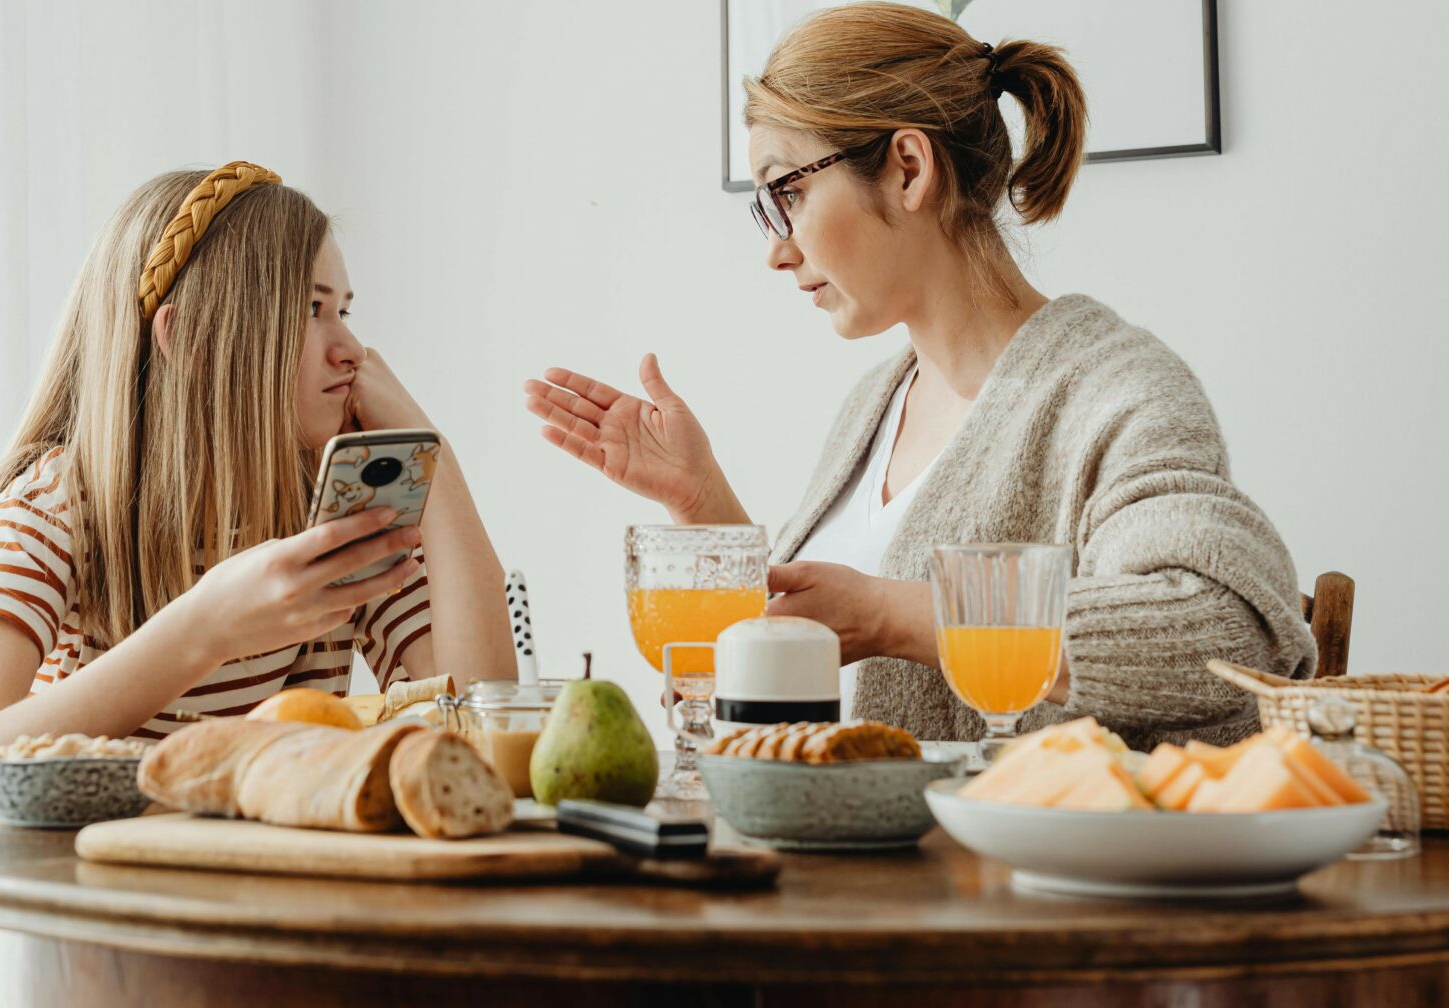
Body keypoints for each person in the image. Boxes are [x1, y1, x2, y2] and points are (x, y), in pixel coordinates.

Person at [0, 162, 511, 1006]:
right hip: (83, 933)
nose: (351, 350)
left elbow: (485, 722)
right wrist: (205, 629)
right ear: (186, 338)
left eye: (345, 311)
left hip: (257, 931)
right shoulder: (63, 500)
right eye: (309, 311)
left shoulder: (328, 517)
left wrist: (431, 456)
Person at [525, 3, 1312, 752]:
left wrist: (893, 615)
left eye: (789, 191)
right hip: (834, 874)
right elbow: (810, 649)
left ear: (907, 167)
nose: (776, 247)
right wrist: (703, 503)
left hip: (1007, 885)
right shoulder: (876, 404)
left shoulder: (1116, 393)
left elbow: (1226, 629)